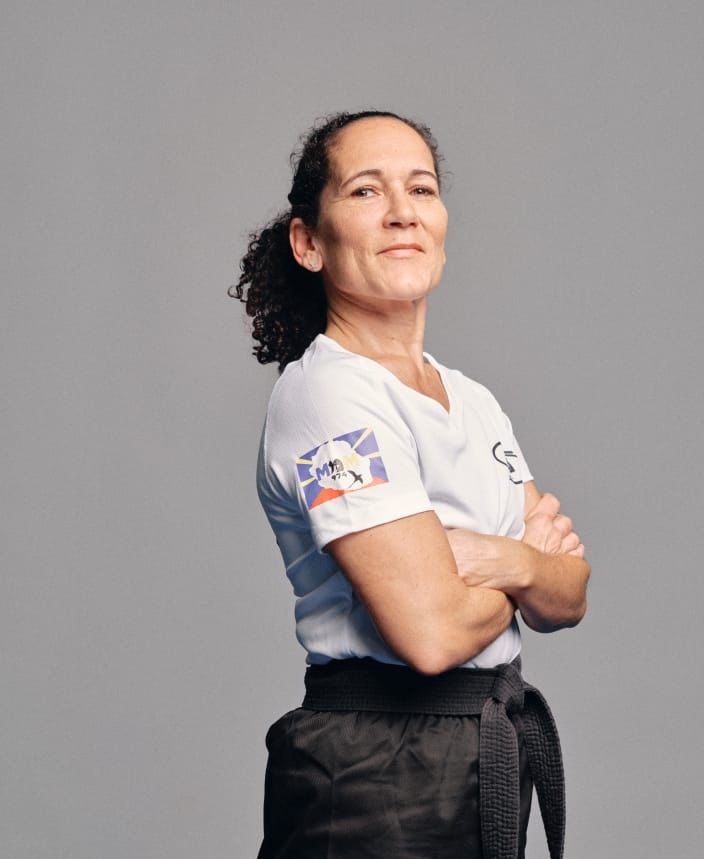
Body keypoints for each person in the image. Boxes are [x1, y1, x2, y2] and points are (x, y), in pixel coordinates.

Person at [230, 110, 590, 859]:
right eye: (366, 190)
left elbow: (570, 595)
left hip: (481, 755)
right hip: (373, 767)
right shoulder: (328, 396)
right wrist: (529, 562)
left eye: (421, 188)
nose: (402, 211)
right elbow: (429, 635)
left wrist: (504, 559)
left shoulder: (474, 400)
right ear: (308, 241)